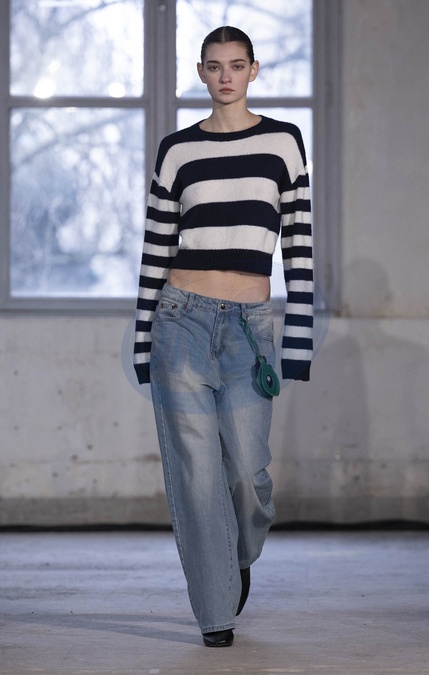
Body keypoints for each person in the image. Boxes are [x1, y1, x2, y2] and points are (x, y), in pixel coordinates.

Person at [133, 26, 313, 647]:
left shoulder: (283, 144)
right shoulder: (177, 151)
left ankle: (235, 556)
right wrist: (142, 342)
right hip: (180, 321)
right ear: (202, 73)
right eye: (214, 66)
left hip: (250, 330)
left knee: (248, 476)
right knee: (196, 475)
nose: (226, 76)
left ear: (254, 70)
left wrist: (298, 343)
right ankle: (216, 613)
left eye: (237, 65)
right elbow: (156, 251)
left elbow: (299, 247)